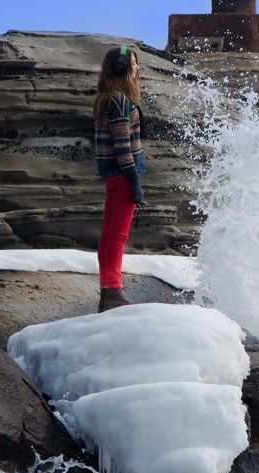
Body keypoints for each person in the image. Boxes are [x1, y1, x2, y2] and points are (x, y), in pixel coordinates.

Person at [92, 45, 145, 312]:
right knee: (118, 237)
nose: (137, 68)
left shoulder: (105, 98)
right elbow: (123, 145)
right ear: (121, 67)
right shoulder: (120, 101)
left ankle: (106, 292)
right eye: (133, 63)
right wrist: (134, 179)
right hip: (123, 174)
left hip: (111, 176)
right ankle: (113, 292)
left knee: (108, 235)